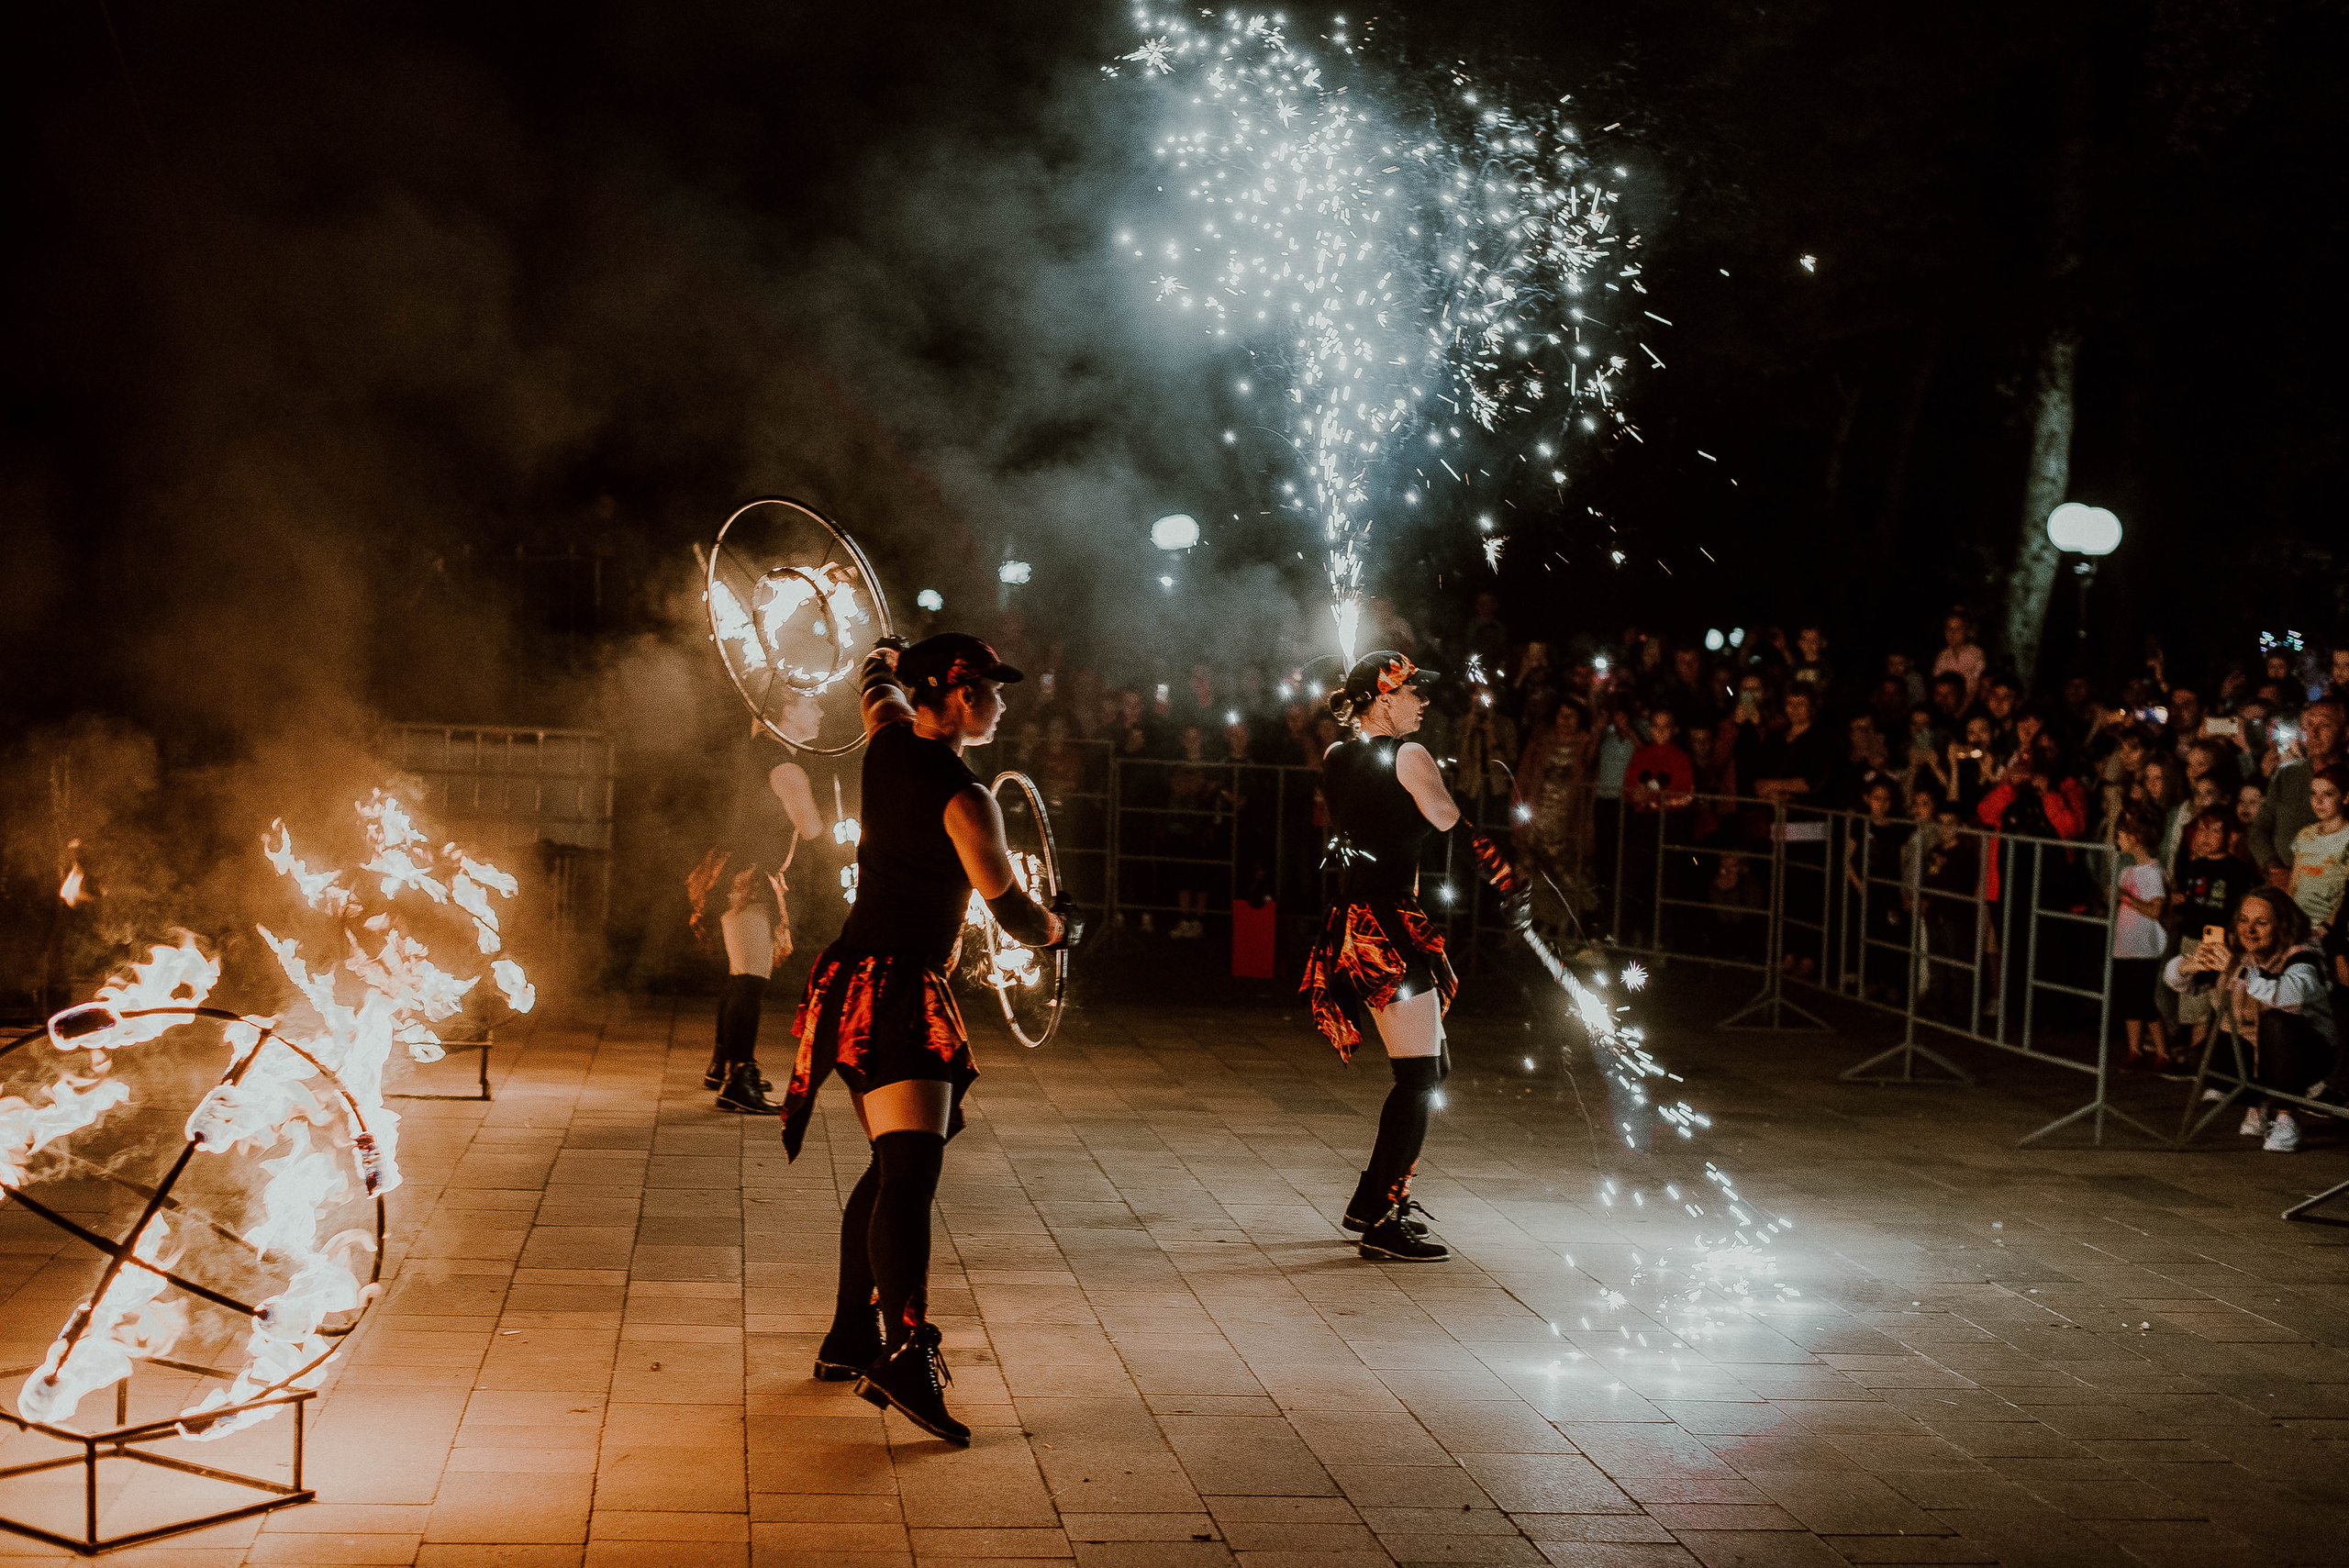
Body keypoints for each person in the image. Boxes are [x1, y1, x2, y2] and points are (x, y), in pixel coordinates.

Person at [791, 633, 1072, 1445]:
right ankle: (905, 1350)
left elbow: (875, 688)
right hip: (899, 993)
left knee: (890, 1164)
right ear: (953, 693)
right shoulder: (965, 795)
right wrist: (1059, 927)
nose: (1002, 701)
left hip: (848, 983)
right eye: (989, 687)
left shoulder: (885, 743)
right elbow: (1011, 911)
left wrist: (881, 659)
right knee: (909, 1173)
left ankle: (850, 1335)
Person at [1302, 651, 1510, 1263]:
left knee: (1428, 1069)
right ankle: (1382, 1218)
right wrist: (1509, 883)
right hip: (1386, 930)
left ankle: (1374, 1202)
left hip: (1355, 928)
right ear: (1382, 697)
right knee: (1421, 1076)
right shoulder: (1409, 756)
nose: (1424, 701)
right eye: (1414, 691)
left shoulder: (1337, 756)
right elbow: (1453, 823)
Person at [2167, 887, 2334, 1151]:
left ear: (2281, 925)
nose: (2249, 930)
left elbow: (2289, 994)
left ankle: (2285, 1117)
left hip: (2309, 1054)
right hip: (2255, 1051)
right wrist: (2187, 966)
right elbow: (2178, 982)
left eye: (2261, 923)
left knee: (2276, 1022)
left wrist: (2242, 972)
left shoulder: (2302, 956)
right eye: (2244, 920)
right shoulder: (2238, 954)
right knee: (2198, 1059)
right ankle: (2261, 1103)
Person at [713, 865, 791, 1112]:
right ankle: (737, 1077)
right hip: (748, 885)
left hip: (740, 881)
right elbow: (811, 828)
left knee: (741, 977)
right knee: (749, 980)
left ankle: (725, 1068)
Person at [2253, 700, 2345, 888]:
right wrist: (2274, 868)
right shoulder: (2288, 776)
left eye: (2325, 725)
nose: (2314, 733)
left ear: (2345, 733)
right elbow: (2259, 830)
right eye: (2310, 725)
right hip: (2281, 885)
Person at [2110, 809, 2172, 1072]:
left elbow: (2155, 910)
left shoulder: (2152, 872)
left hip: (2145, 945)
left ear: (2135, 838)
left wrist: (2126, 896)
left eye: (2121, 834)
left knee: (2143, 999)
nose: (2118, 839)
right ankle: (2134, 1050)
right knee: (2128, 998)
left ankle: (2162, 1052)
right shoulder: (2128, 871)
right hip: (2125, 943)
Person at [2285, 765, 2349, 937]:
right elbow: (2294, 884)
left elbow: (2346, 897)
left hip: (2328, 928)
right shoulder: (2305, 834)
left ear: (2345, 797)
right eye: (2314, 793)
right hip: (2297, 923)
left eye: (2328, 794)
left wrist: (2325, 928)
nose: (2318, 801)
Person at [1933, 611, 1987, 704]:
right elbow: (1937, 683)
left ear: (1966, 631)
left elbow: (1976, 688)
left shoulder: (1976, 654)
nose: (1952, 633)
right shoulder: (1942, 655)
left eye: (1958, 629)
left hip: (1970, 703)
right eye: (1949, 629)